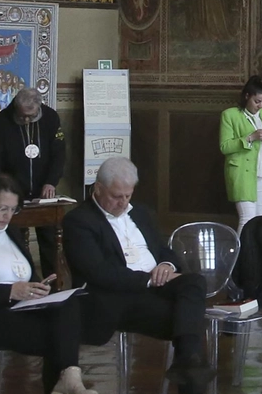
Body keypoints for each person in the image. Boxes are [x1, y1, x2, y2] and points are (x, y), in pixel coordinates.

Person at [0, 174, 97, 394]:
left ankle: (68, 377)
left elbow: (26, 276)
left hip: (19, 309)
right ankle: (67, 381)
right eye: (2, 208)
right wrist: (11, 291)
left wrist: (37, 288)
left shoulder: (12, 233)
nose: (8, 216)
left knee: (68, 305)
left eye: (13, 210)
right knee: (60, 337)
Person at [62, 157, 210, 392]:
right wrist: (150, 279)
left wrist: (166, 266)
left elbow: (163, 250)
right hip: (117, 296)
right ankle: (189, 364)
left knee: (195, 282)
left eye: (127, 196)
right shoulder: (79, 221)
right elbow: (99, 273)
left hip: (158, 285)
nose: (123, 203)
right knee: (188, 320)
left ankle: (186, 361)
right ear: (98, 189)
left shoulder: (141, 212)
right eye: (116, 196)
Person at [0, 87, 66, 277]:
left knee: (49, 241)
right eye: (22, 116)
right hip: (12, 191)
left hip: (44, 191)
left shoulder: (51, 118)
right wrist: (2, 187)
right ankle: (21, 281)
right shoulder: (2, 120)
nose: (26, 120)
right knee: (15, 241)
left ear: (39, 108)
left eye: (31, 116)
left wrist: (51, 182)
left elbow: (59, 154)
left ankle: (51, 285)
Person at [219, 75, 262, 234]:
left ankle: (255, 257)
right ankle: (241, 258)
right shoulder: (230, 115)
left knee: (260, 220)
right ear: (247, 96)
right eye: (257, 101)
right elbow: (224, 146)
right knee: (247, 219)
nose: (260, 105)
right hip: (242, 174)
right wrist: (250, 138)